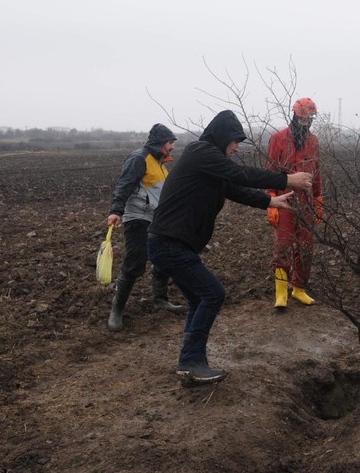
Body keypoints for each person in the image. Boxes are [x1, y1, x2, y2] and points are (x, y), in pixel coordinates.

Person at [147, 110, 312, 385]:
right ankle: (191, 360)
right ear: (222, 136)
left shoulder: (211, 166)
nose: (237, 147)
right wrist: (286, 179)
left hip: (170, 244)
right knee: (212, 294)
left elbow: (234, 188)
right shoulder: (201, 152)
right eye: (235, 141)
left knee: (199, 298)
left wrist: (271, 202)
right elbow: (241, 174)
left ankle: (190, 361)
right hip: (168, 243)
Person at [106, 123, 186, 332]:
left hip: (158, 219)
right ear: (161, 143)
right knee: (135, 262)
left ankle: (160, 300)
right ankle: (117, 310)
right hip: (138, 218)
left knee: (164, 257)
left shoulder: (160, 164)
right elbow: (124, 185)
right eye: (171, 143)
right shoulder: (138, 159)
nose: (173, 147)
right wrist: (116, 211)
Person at [265, 98, 324, 310]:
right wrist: (271, 201)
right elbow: (270, 171)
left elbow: (315, 172)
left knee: (306, 246)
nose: (306, 122)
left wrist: (318, 199)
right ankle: (281, 293)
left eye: (310, 119)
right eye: (302, 118)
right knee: (282, 245)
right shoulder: (278, 139)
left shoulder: (314, 141)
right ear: (295, 116)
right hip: (284, 200)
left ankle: (299, 288)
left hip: (306, 201)